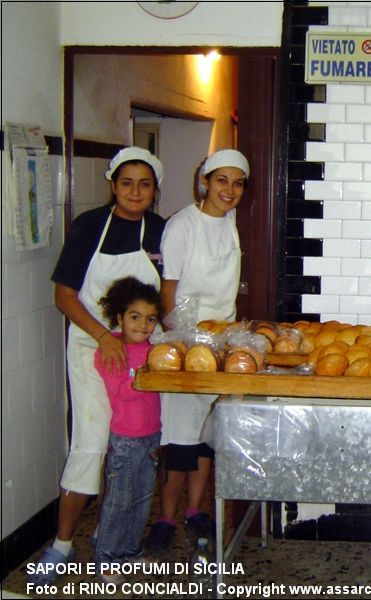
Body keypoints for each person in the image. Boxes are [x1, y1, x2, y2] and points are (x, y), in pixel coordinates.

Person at [29, 147, 166, 585]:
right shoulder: (89, 226)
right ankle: (62, 545)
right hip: (94, 345)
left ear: (154, 190)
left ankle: (119, 544)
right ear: (113, 186)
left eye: (145, 184)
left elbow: (171, 293)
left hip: (143, 349)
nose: (135, 192)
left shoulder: (161, 231)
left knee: (136, 448)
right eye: (126, 183)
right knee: (91, 441)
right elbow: (64, 296)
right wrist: (106, 337)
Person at [144, 149, 250, 554]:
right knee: (180, 440)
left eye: (238, 183)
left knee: (207, 437)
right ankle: (166, 518)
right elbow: (167, 295)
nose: (230, 190)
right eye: (222, 180)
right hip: (183, 343)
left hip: (220, 342)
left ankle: (194, 510)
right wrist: (186, 343)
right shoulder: (182, 226)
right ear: (204, 182)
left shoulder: (230, 224)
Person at [93, 277, 162, 583]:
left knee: (143, 498)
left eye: (150, 319)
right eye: (135, 317)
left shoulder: (154, 350)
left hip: (150, 434)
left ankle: (129, 551)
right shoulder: (112, 350)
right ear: (120, 317)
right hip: (125, 440)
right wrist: (147, 375)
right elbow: (121, 391)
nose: (143, 325)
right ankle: (105, 558)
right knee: (119, 501)